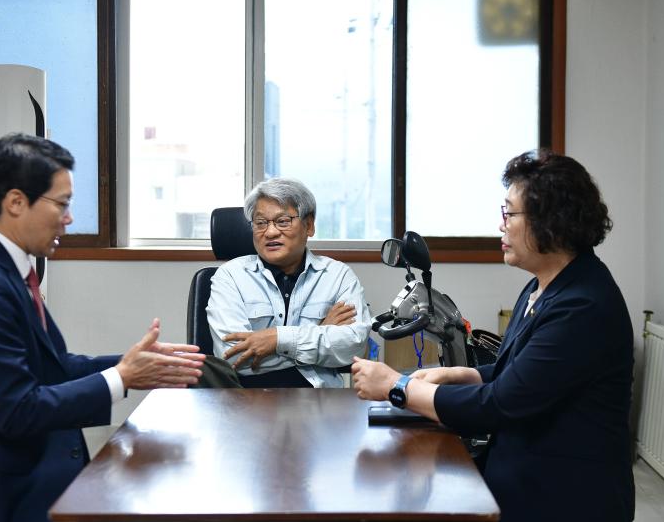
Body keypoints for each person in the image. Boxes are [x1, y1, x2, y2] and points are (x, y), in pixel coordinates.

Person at [0, 134, 205, 522]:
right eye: (62, 204)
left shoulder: (9, 269)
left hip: (23, 483)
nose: (69, 218)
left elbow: (52, 366)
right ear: (16, 202)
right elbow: (18, 410)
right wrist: (121, 378)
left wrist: (134, 365)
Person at [352, 150, 634, 522]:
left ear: (551, 221)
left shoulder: (582, 305)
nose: (501, 226)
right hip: (523, 478)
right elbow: (521, 374)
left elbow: (501, 405)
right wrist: (461, 374)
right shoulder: (541, 287)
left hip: (567, 496)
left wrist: (396, 386)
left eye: (510, 214)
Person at [206, 178, 371, 388]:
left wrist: (277, 340)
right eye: (260, 223)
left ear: (309, 225)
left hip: (320, 403)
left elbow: (353, 347)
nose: (271, 232)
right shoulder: (229, 276)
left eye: (283, 221)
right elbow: (234, 357)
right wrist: (321, 331)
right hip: (248, 401)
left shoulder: (337, 276)